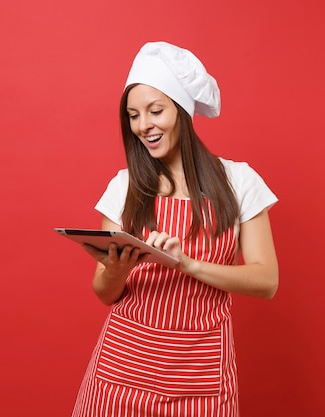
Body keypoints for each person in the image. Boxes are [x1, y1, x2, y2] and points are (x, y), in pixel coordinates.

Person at [71, 41, 279, 417]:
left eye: (155, 110)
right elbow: (104, 293)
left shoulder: (239, 181)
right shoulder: (124, 185)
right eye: (133, 115)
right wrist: (116, 269)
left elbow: (267, 281)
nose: (143, 125)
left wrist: (187, 264)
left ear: (182, 110)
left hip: (199, 374)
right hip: (122, 370)